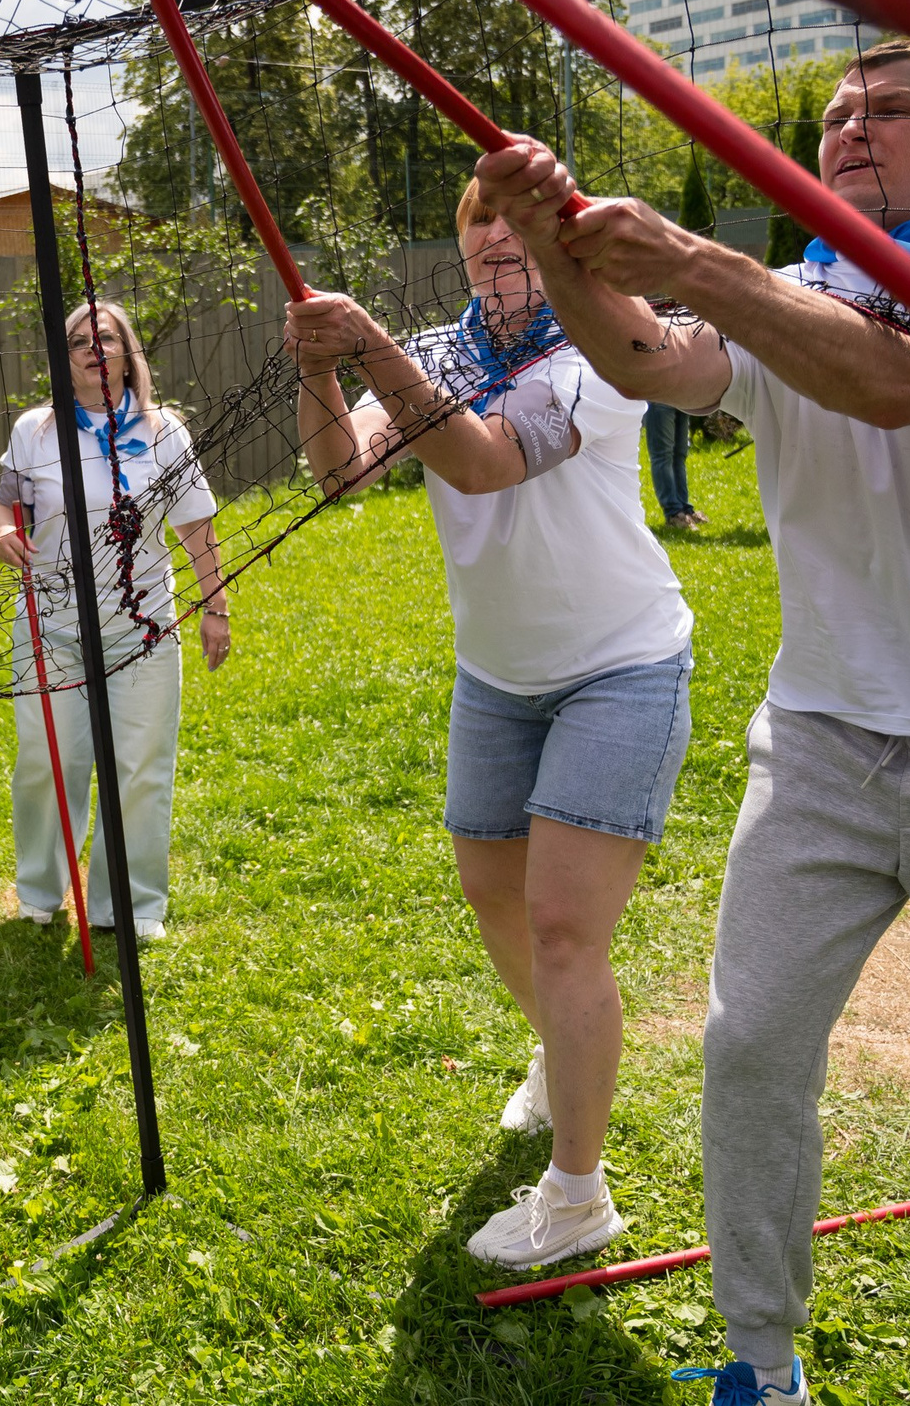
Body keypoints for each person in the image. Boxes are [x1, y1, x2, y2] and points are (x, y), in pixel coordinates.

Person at [479, 40, 910, 1406]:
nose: (852, 127)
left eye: (892, 111)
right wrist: (557, 245)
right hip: (825, 736)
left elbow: (893, 383)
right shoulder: (802, 281)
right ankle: (761, 1357)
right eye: (839, 112)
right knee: (751, 1042)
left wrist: (701, 260)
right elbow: (653, 362)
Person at [285, 191, 695, 1270]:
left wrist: (367, 342)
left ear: (560, 249)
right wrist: (319, 368)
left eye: (513, 237)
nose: (493, 253)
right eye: (477, 239)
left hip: (621, 663)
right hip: (496, 677)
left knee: (563, 925)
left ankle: (577, 1195)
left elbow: (483, 460)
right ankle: (559, 1052)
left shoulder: (604, 353)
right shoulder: (437, 353)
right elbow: (341, 474)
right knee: (490, 892)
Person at [0, 300, 230, 942]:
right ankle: (40, 889)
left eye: (107, 339)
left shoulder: (163, 431)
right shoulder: (35, 429)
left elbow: (196, 528)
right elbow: (4, 503)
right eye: (77, 343)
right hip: (51, 623)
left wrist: (215, 608)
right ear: (63, 361)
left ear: (127, 352)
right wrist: (3, 531)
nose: (93, 350)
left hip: (143, 624)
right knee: (49, 757)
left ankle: (129, 903)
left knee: (142, 764)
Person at [644, 402, 706, 530]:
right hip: (658, 396)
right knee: (663, 455)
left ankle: (684, 509)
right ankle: (673, 513)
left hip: (680, 397)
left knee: (679, 455)